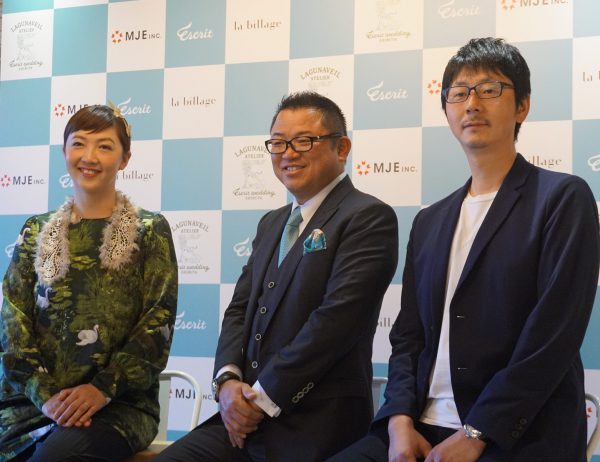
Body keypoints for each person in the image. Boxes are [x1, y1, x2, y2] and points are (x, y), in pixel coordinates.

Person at [328, 37, 600, 462]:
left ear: (522, 106)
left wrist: (477, 433)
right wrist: (398, 420)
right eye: (458, 93)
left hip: (515, 433)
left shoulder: (562, 198)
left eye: (489, 89)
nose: (472, 103)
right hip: (420, 425)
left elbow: (553, 337)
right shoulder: (430, 221)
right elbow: (408, 337)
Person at [155, 91, 399, 462]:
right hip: (241, 422)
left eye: (304, 141)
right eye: (279, 143)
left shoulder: (367, 217)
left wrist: (263, 399)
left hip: (317, 425)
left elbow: (335, 323)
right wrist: (227, 382)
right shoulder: (271, 223)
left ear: (342, 147)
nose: (288, 153)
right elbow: (239, 310)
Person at [0, 104, 178, 461]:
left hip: (116, 406)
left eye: (105, 146)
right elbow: (12, 322)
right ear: (65, 151)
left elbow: (156, 324)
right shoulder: (36, 230)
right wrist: (45, 395)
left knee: (56, 457)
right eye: (79, 143)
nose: (89, 157)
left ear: (125, 159)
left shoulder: (150, 230)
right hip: (32, 405)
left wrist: (101, 389)